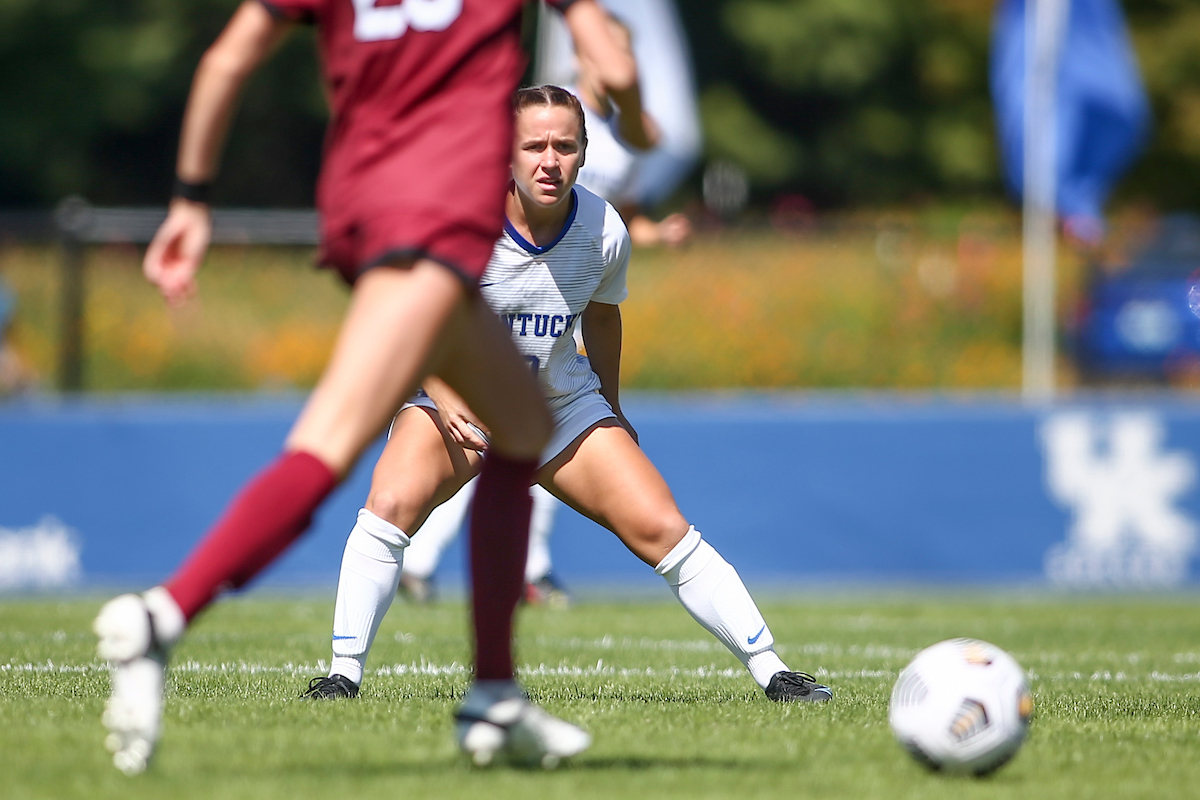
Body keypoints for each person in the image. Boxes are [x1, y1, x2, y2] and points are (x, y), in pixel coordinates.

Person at [92, 0, 645, 775]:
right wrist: (642, 117)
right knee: (327, 448)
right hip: (432, 222)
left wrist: (190, 199)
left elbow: (225, 60)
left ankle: (494, 692)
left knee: (519, 428)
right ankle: (162, 615)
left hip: (365, 206)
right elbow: (615, 69)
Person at [301, 86, 833, 713]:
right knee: (389, 502)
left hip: (559, 404)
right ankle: (342, 676)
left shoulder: (606, 228)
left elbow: (604, 319)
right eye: (533, 146)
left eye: (564, 146)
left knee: (662, 527)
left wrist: (609, 408)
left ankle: (775, 674)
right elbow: (412, 322)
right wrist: (444, 398)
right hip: (459, 394)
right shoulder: (460, 220)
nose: (549, 160)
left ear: (583, 155)